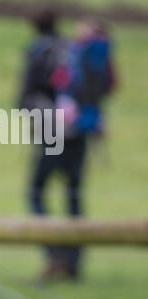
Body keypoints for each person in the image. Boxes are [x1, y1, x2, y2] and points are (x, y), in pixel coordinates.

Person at [23, 14, 116, 281]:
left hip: (55, 132)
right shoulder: (90, 53)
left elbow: (30, 95)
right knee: (73, 195)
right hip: (82, 132)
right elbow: (108, 87)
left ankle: (56, 256)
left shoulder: (54, 53)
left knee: (36, 192)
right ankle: (73, 263)